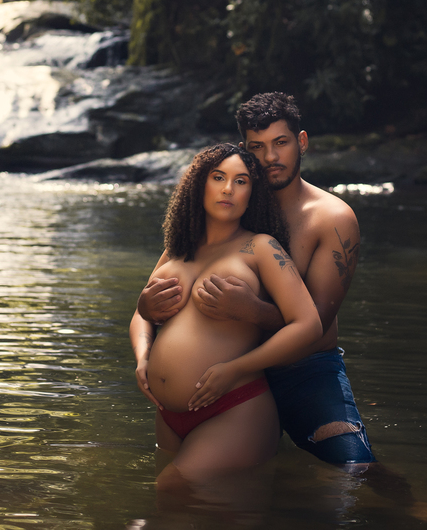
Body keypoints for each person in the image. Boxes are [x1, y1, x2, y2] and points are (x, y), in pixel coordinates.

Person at [135, 93, 376, 469]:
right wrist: (146, 312)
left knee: (353, 468)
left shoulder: (331, 218)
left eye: (281, 143)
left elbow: (315, 323)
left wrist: (250, 310)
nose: (270, 157)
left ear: (301, 142)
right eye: (257, 147)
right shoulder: (229, 207)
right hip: (223, 377)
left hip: (301, 371)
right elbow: (161, 288)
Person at [129, 143, 322, 489]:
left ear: (253, 194)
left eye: (241, 181)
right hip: (167, 415)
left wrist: (235, 368)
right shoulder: (177, 248)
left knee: (172, 488)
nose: (228, 188)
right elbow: (140, 314)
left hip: (233, 406)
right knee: (173, 511)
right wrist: (143, 357)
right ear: (199, 184)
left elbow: (308, 326)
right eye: (218, 177)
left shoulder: (261, 247)